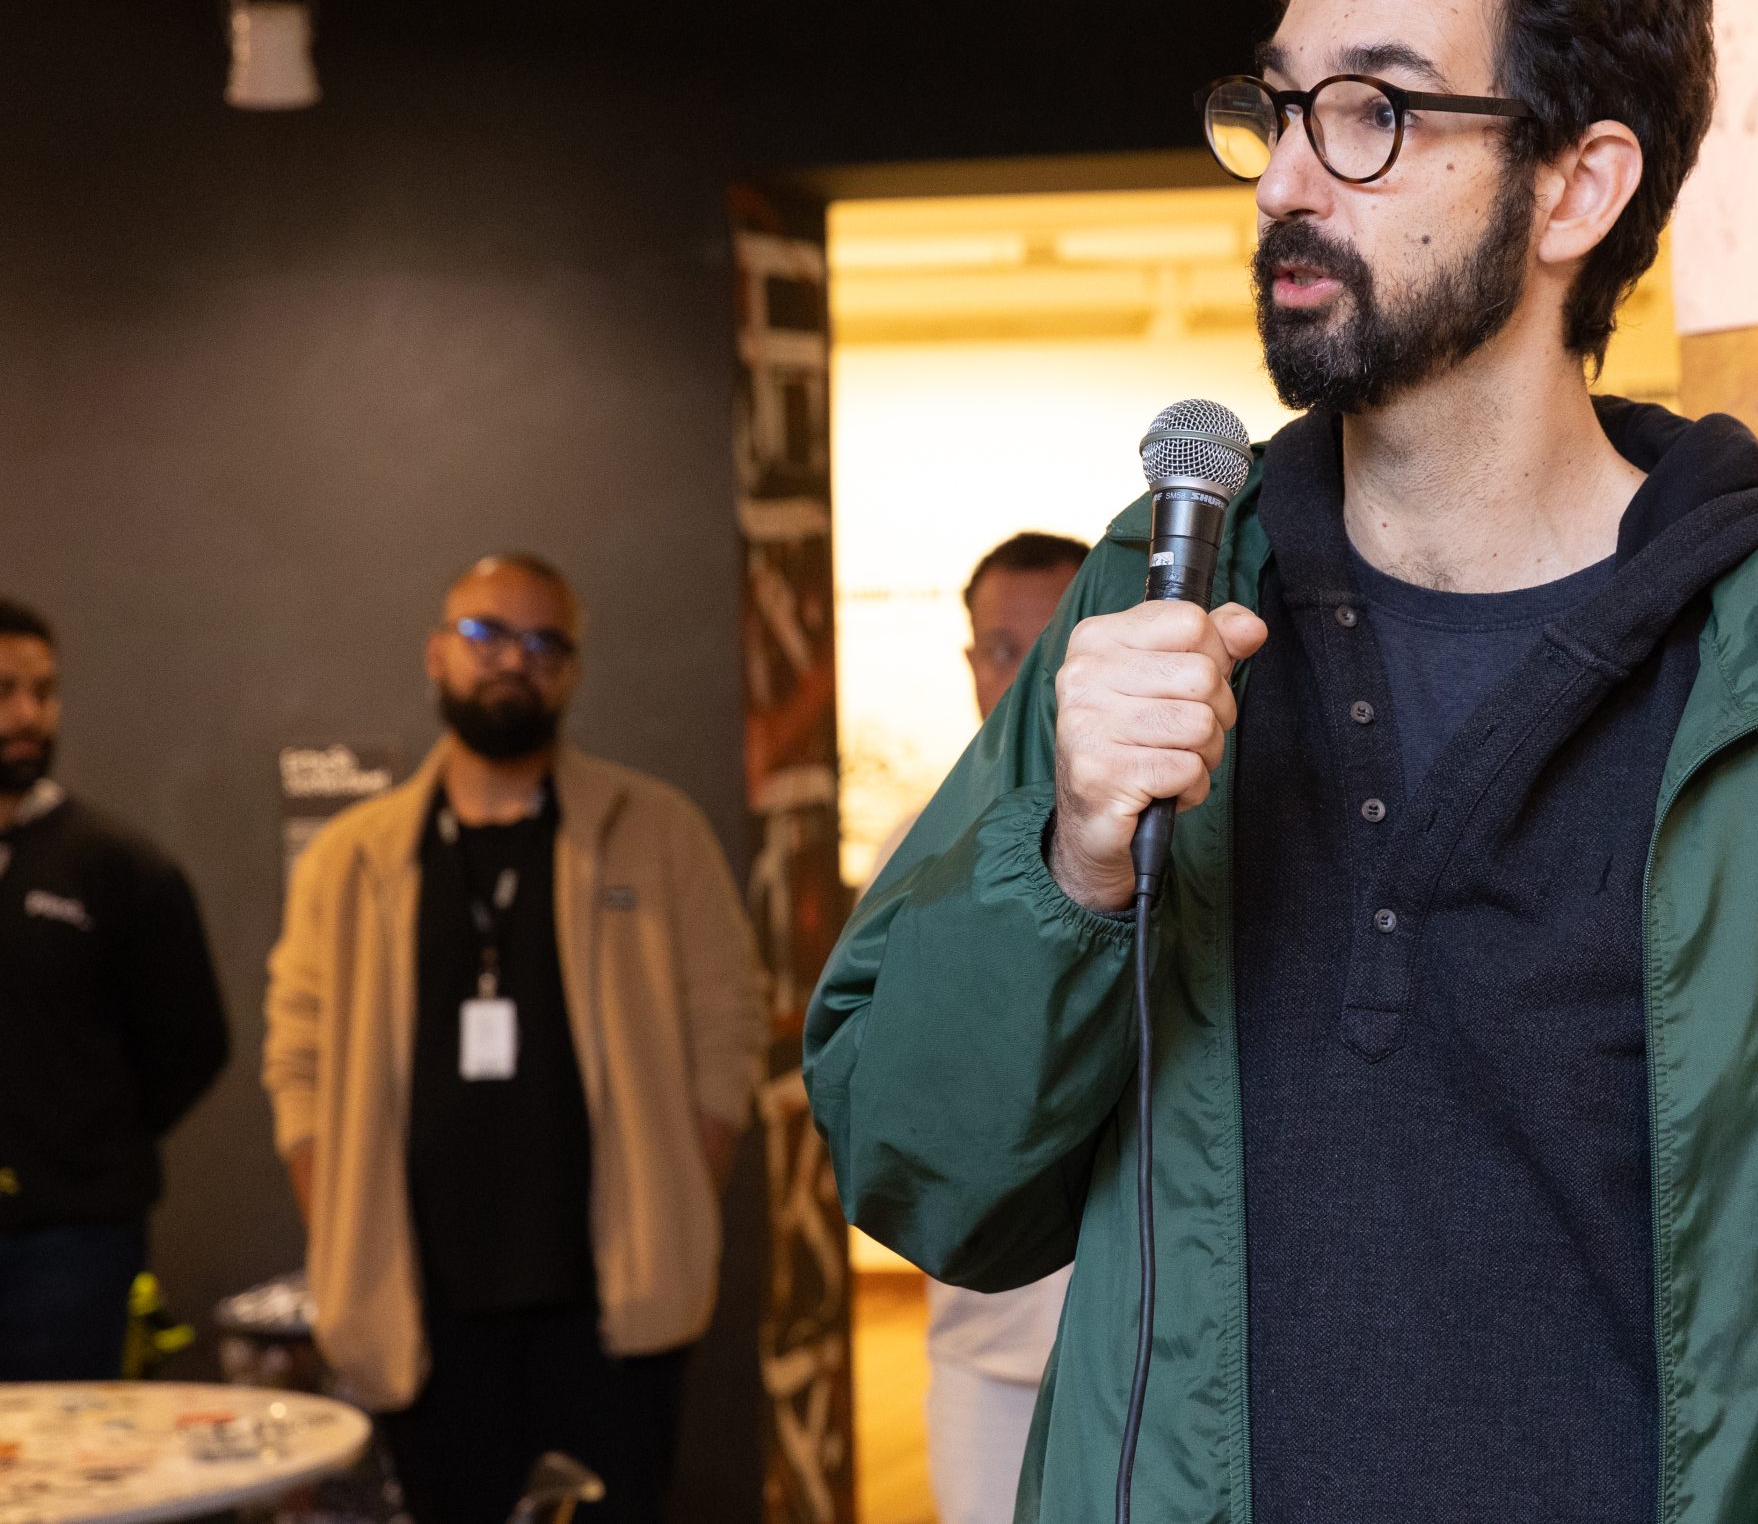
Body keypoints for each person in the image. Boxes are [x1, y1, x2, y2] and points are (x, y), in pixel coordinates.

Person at [805, 0, 1758, 1521]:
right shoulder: (1161, 590)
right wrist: (1071, 864)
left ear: (1578, 186)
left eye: (1375, 111)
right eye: (1280, 109)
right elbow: (920, 1166)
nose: (1287, 178)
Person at [264, 555, 764, 1524]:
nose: (513, 661)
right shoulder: (350, 858)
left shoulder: (656, 831)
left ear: (571, 670)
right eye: (486, 634)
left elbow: (727, 1032)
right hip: (422, 1309)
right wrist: (341, 1228)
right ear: (436, 652)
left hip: (611, 1306)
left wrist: (676, 1201)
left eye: (544, 643)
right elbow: (298, 1061)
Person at [883, 531, 1089, 1524]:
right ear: (970, 660)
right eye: (1002, 651)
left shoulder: (1198, 829)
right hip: (986, 1344)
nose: (1024, 680)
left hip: (1151, 1337)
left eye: (1052, 648)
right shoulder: (917, 850)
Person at [0, 598, 227, 1381]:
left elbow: (193, 1042)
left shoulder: (119, 864)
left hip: (72, 1241)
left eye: (43, 690)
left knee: (67, 1449)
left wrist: (84, 1137)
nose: (27, 715)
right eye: (4, 690)